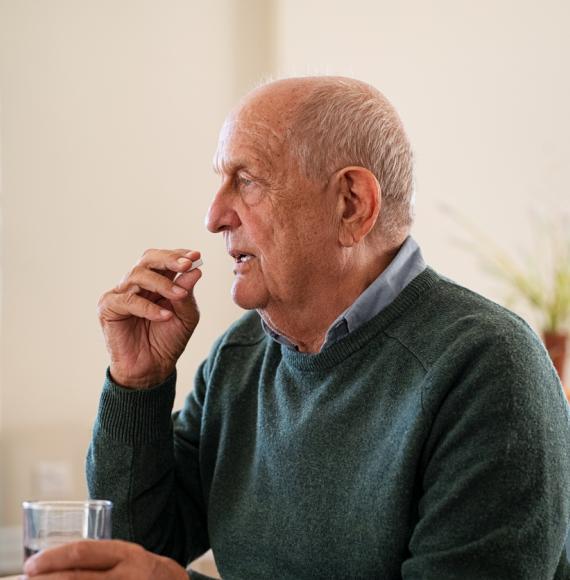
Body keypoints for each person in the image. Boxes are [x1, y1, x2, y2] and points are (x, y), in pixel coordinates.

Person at [24, 77, 570, 580]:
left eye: (247, 180)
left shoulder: (489, 366)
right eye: (221, 181)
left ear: (352, 204)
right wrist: (137, 384)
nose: (214, 216)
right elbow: (140, 546)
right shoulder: (238, 356)